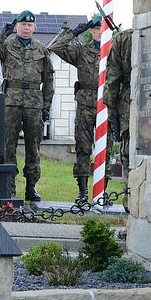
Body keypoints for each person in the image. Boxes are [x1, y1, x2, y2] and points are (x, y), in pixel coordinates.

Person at [0, 11, 54, 201]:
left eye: (30, 25)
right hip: (11, 102)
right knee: (8, 146)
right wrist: (1, 35)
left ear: (35, 28)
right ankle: (9, 186)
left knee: (33, 147)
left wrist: (46, 105)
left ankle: (31, 187)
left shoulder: (41, 49)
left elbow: (49, 79)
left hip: (33, 103)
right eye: (22, 24)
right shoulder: (6, 46)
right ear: (16, 27)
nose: (26, 28)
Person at [49, 13, 103, 202]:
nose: (100, 32)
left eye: (103, 28)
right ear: (91, 31)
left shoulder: (113, 51)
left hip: (106, 105)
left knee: (106, 149)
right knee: (83, 148)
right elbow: (56, 47)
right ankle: (83, 192)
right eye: (96, 28)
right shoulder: (82, 51)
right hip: (85, 104)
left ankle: (102, 192)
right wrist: (74, 33)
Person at [106, 28, 132, 178]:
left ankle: (130, 196)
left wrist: (112, 111)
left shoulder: (123, 38)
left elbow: (113, 78)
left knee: (129, 153)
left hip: (128, 102)